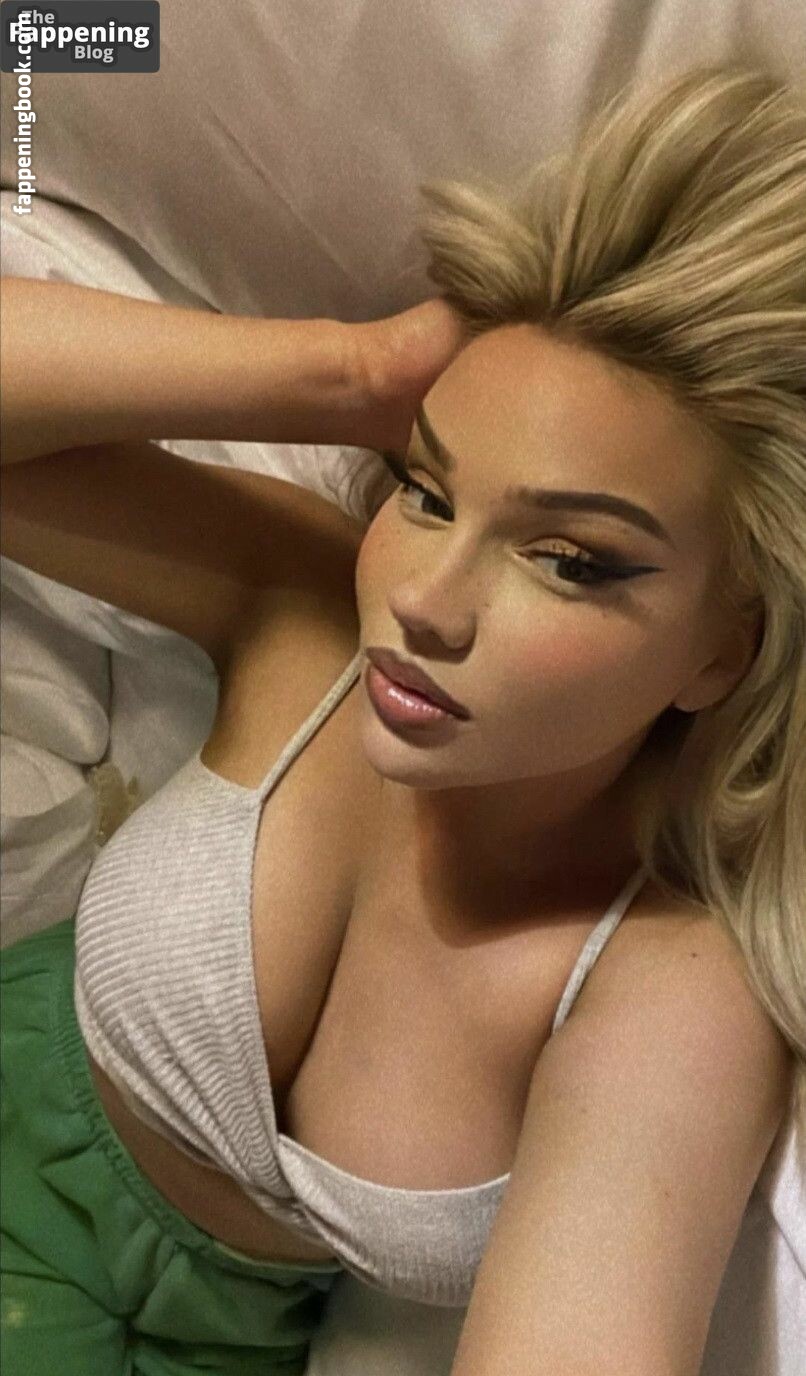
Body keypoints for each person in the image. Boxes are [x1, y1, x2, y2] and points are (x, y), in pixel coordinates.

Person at [1, 61, 803, 1376]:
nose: (424, 601)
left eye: (568, 560)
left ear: (727, 650)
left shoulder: (669, 983)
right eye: (427, 493)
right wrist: (352, 370)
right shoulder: (311, 610)